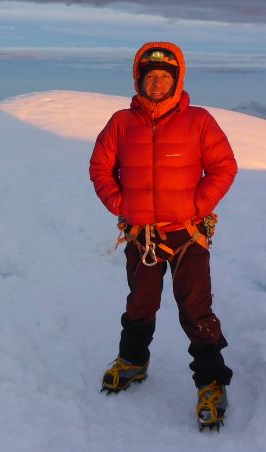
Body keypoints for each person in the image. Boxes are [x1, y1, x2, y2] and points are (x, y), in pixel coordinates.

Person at [89, 41, 237, 429]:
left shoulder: (199, 121)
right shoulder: (121, 123)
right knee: (140, 304)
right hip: (142, 236)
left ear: (177, 80)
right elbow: (100, 168)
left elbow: (224, 166)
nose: (156, 84)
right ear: (138, 80)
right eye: (150, 77)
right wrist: (122, 206)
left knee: (195, 308)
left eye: (164, 78)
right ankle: (133, 361)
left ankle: (211, 381)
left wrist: (197, 207)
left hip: (187, 234)